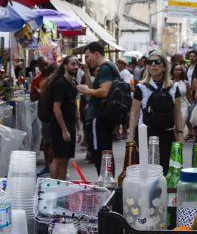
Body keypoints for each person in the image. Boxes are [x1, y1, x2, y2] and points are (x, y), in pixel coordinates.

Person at [128, 53, 184, 174]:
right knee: (149, 171)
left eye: (157, 62)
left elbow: (178, 113)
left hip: (168, 135)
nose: (153, 65)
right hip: (147, 134)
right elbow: (134, 112)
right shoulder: (141, 87)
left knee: (168, 170)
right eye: (150, 62)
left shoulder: (174, 87)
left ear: (164, 67)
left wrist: (180, 134)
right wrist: (131, 137)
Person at [77, 42, 119, 174]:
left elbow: (104, 91)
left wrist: (86, 91)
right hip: (100, 117)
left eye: (88, 56)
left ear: (96, 54)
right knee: (102, 152)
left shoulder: (105, 68)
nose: (87, 60)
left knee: (100, 153)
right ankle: (107, 182)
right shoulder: (104, 68)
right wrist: (87, 74)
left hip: (98, 118)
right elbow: (95, 88)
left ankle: (106, 183)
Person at [49, 57, 83, 180]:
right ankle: (53, 186)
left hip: (70, 124)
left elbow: (74, 106)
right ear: (65, 66)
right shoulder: (60, 83)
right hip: (59, 126)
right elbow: (56, 108)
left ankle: (62, 185)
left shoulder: (73, 83)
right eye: (72, 64)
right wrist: (64, 129)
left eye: (77, 64)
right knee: (58, 157)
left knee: (66, 157)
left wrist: (79, 128)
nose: (75, 66)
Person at [171, 64, 192, 140]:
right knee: (173, 128)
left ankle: (178, 143)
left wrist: (192, 107)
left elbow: (189, 97)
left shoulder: (185, 83)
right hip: (172, 107)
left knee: (180, 127)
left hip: (183, 106)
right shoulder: (169, 82)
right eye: (176, 69)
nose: (178, 71)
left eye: (180, 70)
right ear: (172, 71)